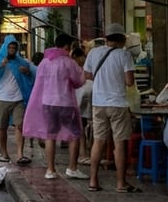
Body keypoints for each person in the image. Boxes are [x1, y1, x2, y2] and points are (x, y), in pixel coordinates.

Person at [22, 33, 87, 180]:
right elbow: (78, 81)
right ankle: (72, 168)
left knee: (50, 136)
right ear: (67, 46)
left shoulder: (44, 62)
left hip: (47, 103)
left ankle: (50, 170)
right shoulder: (68, 62)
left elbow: (39, 84)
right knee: (75, 134)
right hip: (65, 103)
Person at [85, 24, 138, 193]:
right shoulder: (124, 55)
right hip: (118, 104)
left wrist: (103, 80)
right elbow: (129, 82)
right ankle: (121, 183)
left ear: (106, 38)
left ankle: (93, 181)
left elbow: (87, 75)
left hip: (98, 103)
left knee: (98, 141)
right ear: (121, 39)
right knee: (119, 142)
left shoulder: (94, 53)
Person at [0, 35, 34, 165]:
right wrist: (0, 66)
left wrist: (26, 72)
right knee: (1, 127)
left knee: (20, 125)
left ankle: (20, 154)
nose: (12, 50)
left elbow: (30, 78)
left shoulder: (21, 62)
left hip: (18, 99)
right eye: (10, 48)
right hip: (2, 98)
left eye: (14, 48)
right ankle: (4, 154)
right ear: (5, 48)